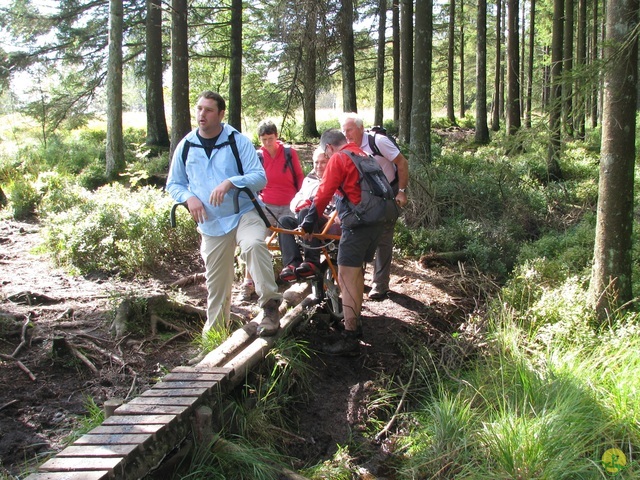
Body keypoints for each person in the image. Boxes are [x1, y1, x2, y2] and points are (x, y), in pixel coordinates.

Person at [166, 91, 282, 337]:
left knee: (253, 244)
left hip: (243, 214)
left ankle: (270, 308)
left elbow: (260, 177)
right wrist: (189, 198)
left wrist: (231, 182)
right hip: (210, 223)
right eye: (199, 109)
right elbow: (174, 183)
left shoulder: (236, 141)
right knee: (216, 285)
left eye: (208, 110)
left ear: (220, 114)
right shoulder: (186, 145)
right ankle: (215, 337)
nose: (201, 114)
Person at [300, 129, 385, 355]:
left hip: (358, 224)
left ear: (328, 148)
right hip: (377, 221)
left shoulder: (339, 158)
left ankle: (349, 337)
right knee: (355, 274)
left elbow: (324, 192)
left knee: (346, 275)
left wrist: (308, 223)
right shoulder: (362, 154)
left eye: (324, 154)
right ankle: (355, 326)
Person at [340, 113, 409, 300]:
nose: (347, 134)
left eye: (350, 130)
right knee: (361, 234)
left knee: (384, 237)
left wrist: (401, 191)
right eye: (344, 130)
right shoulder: (346, 147)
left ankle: (380, 284)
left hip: (387, 195)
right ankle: (358, 279)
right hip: (363, 198)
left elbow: (402, 162)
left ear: (361, 128)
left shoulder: (379, 142)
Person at [239, 120, 305, 301]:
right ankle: (249, 282)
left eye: (270, 138)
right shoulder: (258, 156)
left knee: (291, 241)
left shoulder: (289, 153)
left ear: (276, 136)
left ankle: (294, 275)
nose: (268, 143)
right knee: (255, 242)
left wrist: (302, 198)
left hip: (289, 204)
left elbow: (299, 176)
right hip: (265, 205)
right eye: (264, 139)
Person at [278, 147, 336, 282]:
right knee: (284, 221)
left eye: (323, 162)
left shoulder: (335, 178)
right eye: (316, 162)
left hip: (326, 218)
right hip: (305, 218)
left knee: (307, 212)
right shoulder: (309, 180)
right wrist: (300, 203)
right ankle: (292, 264)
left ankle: (311, 261)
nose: (319, 166)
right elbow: (295, 201)